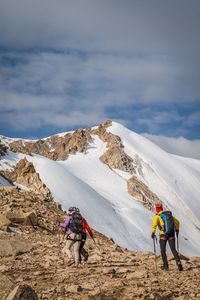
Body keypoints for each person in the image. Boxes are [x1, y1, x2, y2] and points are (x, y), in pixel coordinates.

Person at [151, 203, 183, 271]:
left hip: (163, 235)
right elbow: (177, 222)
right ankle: (178, 263)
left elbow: (154, 225)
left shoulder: (157, 216)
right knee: (173, 250)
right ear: (162, 208)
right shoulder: (169, 215)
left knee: (163, 250)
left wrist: (153, 233)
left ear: (157, 209)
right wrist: (177, 230)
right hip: (171, 234)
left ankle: (166, 266)